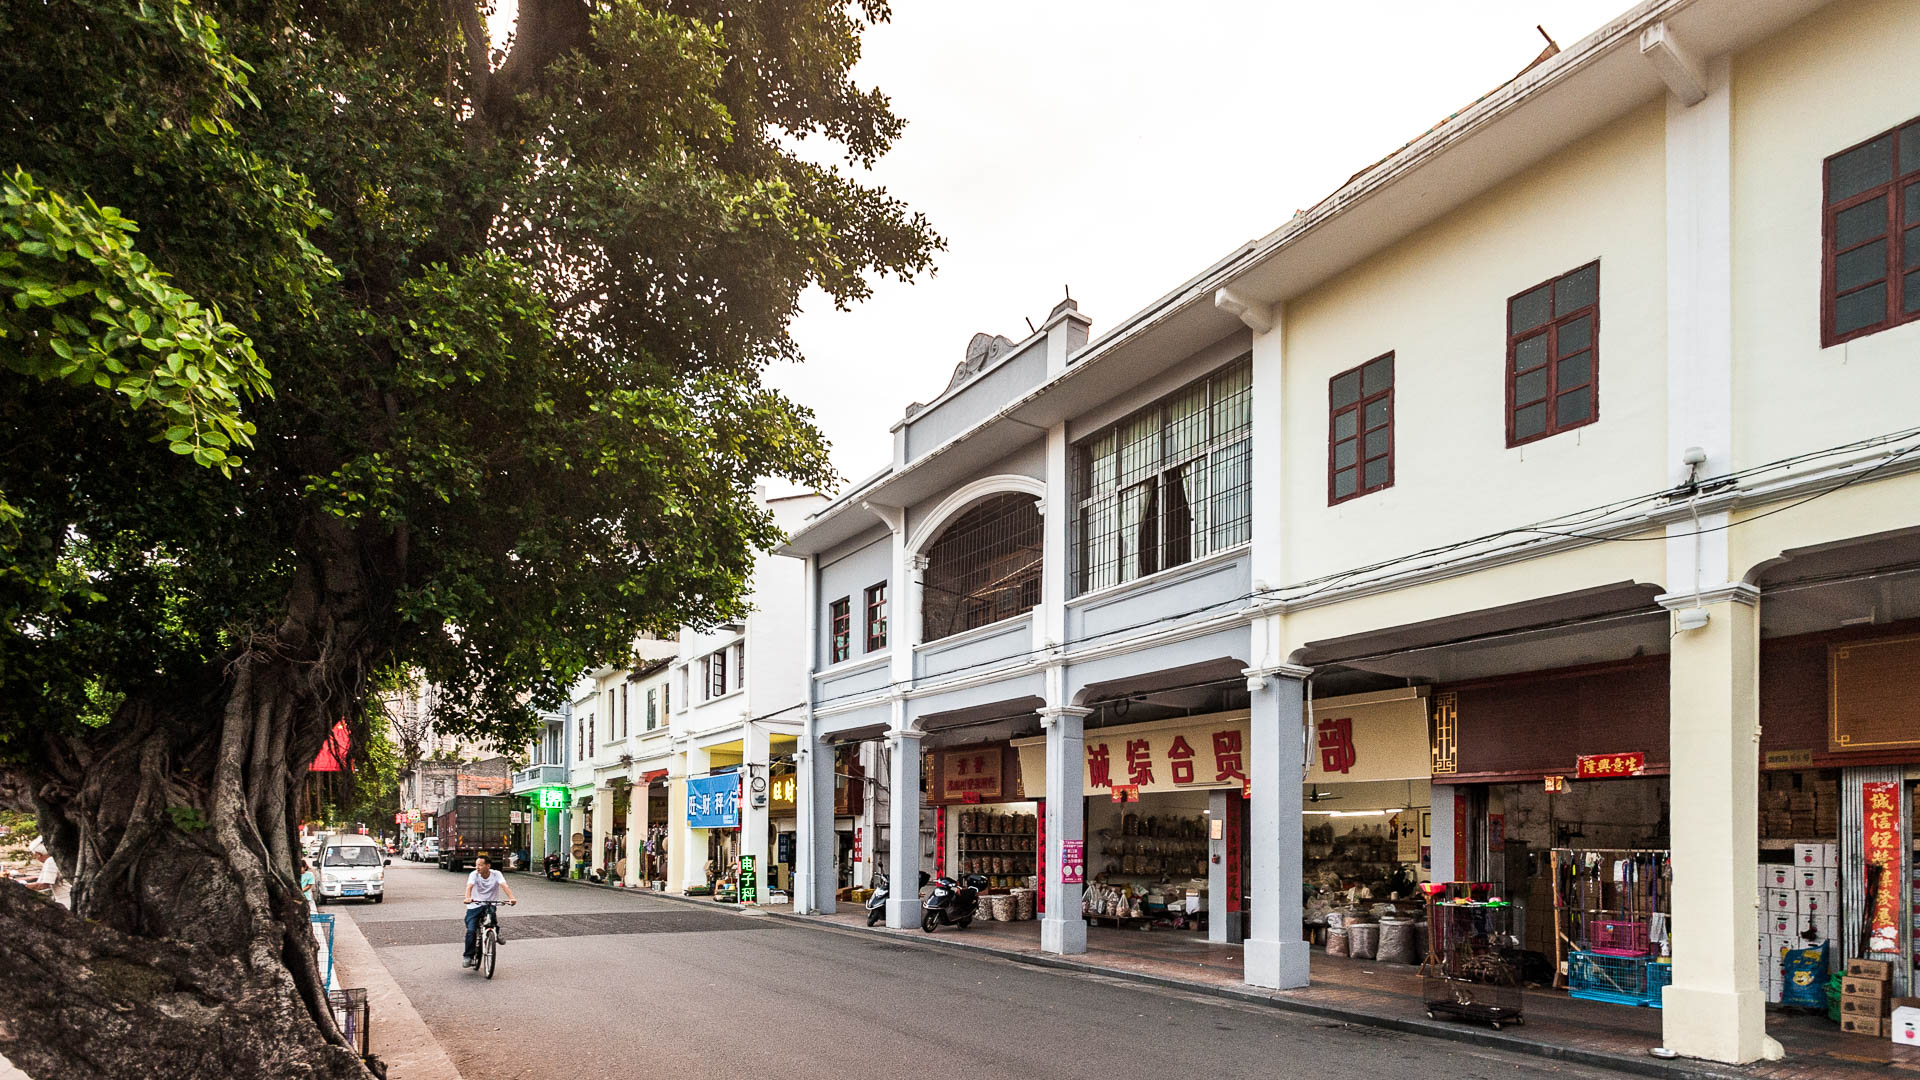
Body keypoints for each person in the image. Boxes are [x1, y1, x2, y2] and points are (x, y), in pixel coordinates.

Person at [461, 854, 516, 968]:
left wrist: (512, 898)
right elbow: (469, 887)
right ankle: (468, 956)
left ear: (488, 866)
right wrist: (467, 898)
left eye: (480, 865)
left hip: (490, 903)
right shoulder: (474, 874)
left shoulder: (496, 874)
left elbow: (504, 886)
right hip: (475, 905)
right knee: (471, 930)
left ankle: (496, 932)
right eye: (476, 865)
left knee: (492, 917)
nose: (477, 867)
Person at [25, 839, 71, 909]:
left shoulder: (50, 861)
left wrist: (21, 886)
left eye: (35, 855)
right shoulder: (56, 859)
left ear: (38, 854)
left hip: (66, 900)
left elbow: (43, 885)